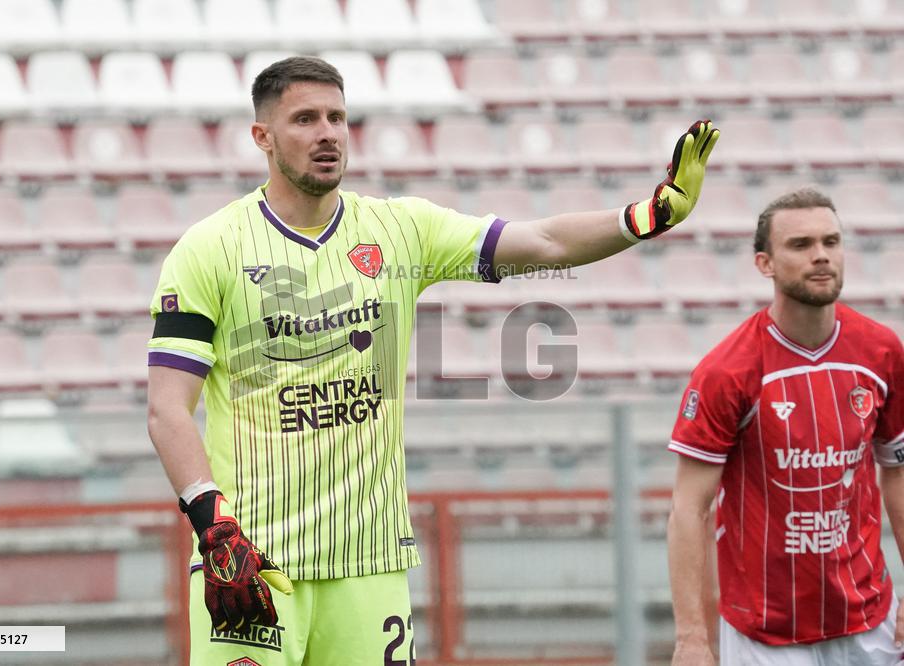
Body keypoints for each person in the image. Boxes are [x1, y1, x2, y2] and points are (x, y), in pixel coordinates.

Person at [146, 55, 719, 665]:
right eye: (305, 119)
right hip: (252, 561)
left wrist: (647, 216)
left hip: (370, 565)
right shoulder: (210, 249)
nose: (327, 134)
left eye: (337, 118)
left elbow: (544, 241)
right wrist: (212, 523)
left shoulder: (400, 231)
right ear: (262, 137)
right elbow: (167, 410)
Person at [667, 187, 904, 665]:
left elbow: (897, 473)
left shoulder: (882, 352)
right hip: (764, 634)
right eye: (800, 245)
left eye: (831, 242)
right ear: (765, 264)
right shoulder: (727, 371)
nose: (821, 256)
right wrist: (692, 638)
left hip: (869, 620)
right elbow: (689, 508)